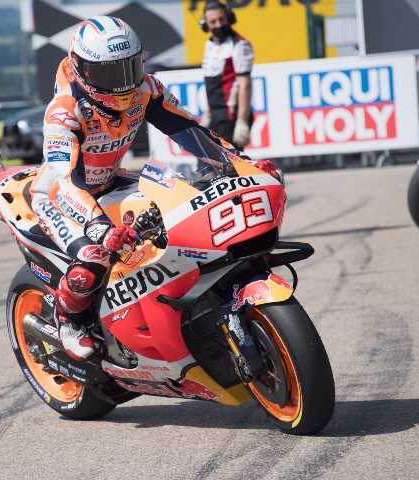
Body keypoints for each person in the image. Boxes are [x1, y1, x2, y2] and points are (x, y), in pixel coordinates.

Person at [29, 16, 280, 360]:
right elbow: (62, 179)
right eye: (109, 74)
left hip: (108, 181)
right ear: (83, 70)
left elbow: (190, 131)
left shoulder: (146, 89)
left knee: (173, 215)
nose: (121, 84)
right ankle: (69, 319)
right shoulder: (64, 112)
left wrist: (239, 164)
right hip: (60, 197)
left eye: (128, 69)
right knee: (94, 256)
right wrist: (98, 227)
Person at [199, 1, 254, 150]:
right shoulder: (209, 44)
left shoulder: (240, 44)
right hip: (215, 114)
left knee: (227, 165)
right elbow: (212, 85)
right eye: (213, 22)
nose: (218, 25)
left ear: (229, 17)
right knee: (207, 161)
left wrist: (242, 121)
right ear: (205, 24)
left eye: (221, 19)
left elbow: (245, 84)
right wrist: (208, 114)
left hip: (230, 114)